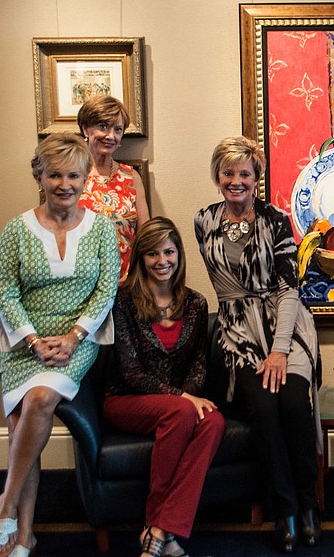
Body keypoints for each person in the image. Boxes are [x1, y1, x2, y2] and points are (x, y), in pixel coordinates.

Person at [0, 133, 119, 556]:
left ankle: (6, 502)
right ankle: (24, 534)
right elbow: (5, 291)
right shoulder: (16, 229)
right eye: (54, 175)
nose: (64, 184)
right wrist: (31, 340)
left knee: (42, 398)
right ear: (40, 177)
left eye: (73, 175)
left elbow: (105, 293)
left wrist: (71, 337)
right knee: (19, 424)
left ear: (85, 180)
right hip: (23, 343)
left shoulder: (101, 228)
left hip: (75, 340)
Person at [194, 136, 321, 553]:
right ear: (217, 176)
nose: (236, 181)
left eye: (244, 173)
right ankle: (282, 509)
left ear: (256, 177)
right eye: (228, 173)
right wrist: (259, 348)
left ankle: (307, 506)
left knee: (293, 405)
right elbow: (230, 289)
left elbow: (288, 290)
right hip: (238, 336)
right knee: (265, 409)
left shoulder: (277, 220)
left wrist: (280, 349)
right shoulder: (203, 221)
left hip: (286, 329)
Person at [104, 217, 225, 557]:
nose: (162, 261)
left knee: (214, 421)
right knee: (184, 412)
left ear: (179, 255)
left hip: (177, 406)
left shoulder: (196, 303)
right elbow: (130, 372)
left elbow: (200, 362)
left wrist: (189, 395)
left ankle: (160, 529)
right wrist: (184, 397)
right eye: (153, 254)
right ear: (141, 258)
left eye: (169, 252)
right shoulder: (124, 302)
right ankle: (157, 523)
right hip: (128, 400)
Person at [77, 95, 150, 281]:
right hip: (81, 284)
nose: (111, 136)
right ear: (86, 129)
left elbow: (146, 236)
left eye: (117, 130)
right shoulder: (71, 176)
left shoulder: (131, 177)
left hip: (126, 282)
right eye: (103, 127)